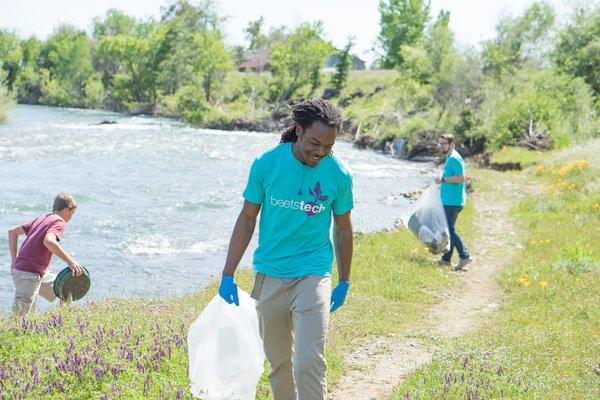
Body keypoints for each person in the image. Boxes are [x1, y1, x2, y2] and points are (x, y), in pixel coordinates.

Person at [217, 99, 354, 400]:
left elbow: (343, 227)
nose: (320, 151)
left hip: (313, 273)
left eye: (328, 147)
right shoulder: (267, 164)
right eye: (314, 142)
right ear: (299, 129)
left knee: (308, 360)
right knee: (278, 363)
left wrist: (344, 279)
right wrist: (228, 273)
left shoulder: (338, 174)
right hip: (270, 275)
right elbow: (247, 218)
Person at [8, 193, 83, 315]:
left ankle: (63, 323)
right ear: (67, 209)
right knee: (20, 321)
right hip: (27, 275)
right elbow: (48, 241)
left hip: (36, 273)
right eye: (72, 213)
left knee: (65, 289)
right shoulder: (59, 221)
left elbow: (12, 232)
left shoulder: (42, 218)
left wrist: (14, 260)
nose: (71, 217)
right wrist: (71, 261)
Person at [435, 133, 472, 271]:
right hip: (448, 200)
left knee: (449, 229)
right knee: (447, 229)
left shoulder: (455, 158)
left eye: (444, 143)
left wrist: (444, 180)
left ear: (452, 144)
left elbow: (461, 177)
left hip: (453, 201)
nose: (441, 146)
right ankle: (446, 259)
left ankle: (465, 256)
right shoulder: (449, 157)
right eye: (440, 143)